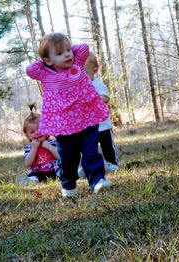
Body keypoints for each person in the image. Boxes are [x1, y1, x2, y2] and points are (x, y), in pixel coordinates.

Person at [26, 32, 111, 197]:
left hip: (86, 121)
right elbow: (30, 70)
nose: (67, 54)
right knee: (67, 159)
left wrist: (64, 48)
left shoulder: (77, 65)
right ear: (48, 60)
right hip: (63, 127)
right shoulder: (46, 73)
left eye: (68, 50)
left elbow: (84, 48)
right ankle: (68, 185)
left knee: (91, 152)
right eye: (60, 53)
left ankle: (97, 180)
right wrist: (47, 58)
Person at [85, 52, 120, 172]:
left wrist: (93, 99)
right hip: (89, 126)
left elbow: (106, 98)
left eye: (86, 72)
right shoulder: (81, 87)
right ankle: (92, 166)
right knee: (89, 148)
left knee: (107, 145)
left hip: (103, 124)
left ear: (95, 70)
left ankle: (112, 163)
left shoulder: (97, 84)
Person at [22, 104, 59, 183]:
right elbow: (28, 164)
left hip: (54, 170)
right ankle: (30, 181)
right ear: (27, 136)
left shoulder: (53, 142)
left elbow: (60, 156)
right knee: (34, 176)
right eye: (32, 132)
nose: (37, 133)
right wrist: (34, 149)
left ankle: (76, 174)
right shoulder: (29, 147)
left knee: (63, 170)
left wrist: (49, 146)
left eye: (40, 128)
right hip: (38, 172)